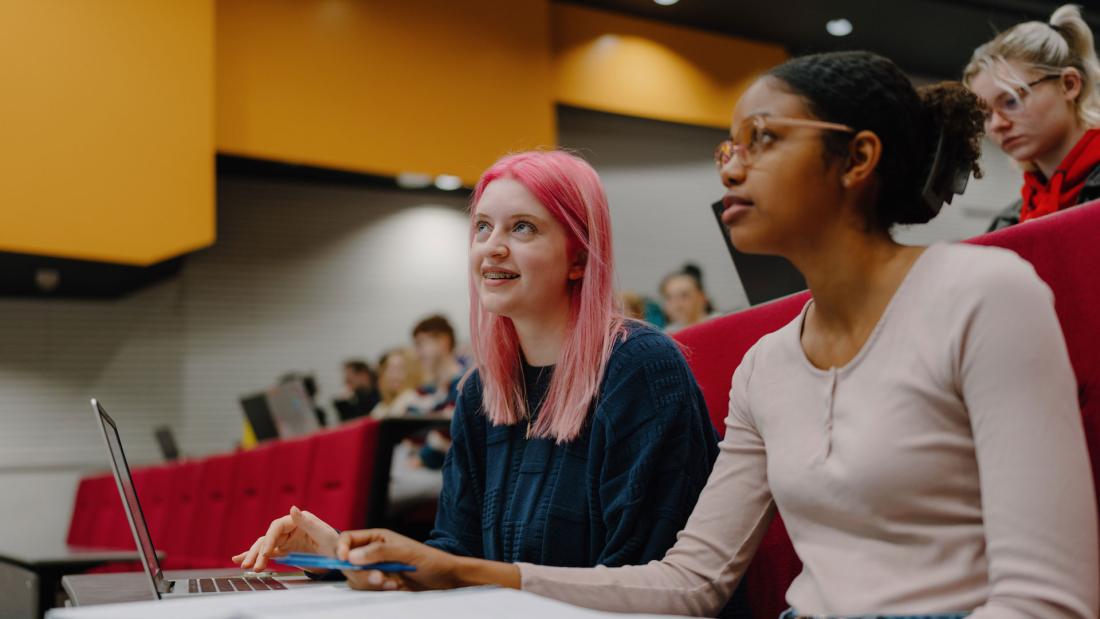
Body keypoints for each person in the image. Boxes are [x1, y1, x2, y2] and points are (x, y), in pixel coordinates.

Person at [332, 52, 1099, 619]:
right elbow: (688, 583)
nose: (731, 169)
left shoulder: (985, 297)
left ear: (857, 158)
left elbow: (1048, 601)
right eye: (726, 147)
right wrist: (462, 570)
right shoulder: (768, 363)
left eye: (762, 139)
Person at [232, 151, 720, 588]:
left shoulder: (639, 368)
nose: (492, 247)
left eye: (522, 227)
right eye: (483, 227)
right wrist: (338, 555)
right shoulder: (482, 392)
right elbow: (455, 555)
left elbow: (646, 580)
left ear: (578, 258)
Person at [965, 4, 1100, 230]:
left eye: (1010, 101)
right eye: (984, 116)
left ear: (1069, 85)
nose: (997, 125)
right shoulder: (1007, 222)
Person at [368, 347, 423, 419]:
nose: (391, 375)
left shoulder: (415, 401)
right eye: (388, 368)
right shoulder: (381, 407)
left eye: (399, 369)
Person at [660, 263, 716, 334]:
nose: (677, 305)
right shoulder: (667, 337)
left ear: (702, 297)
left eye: (684, 295)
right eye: (669, 298)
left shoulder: (722, 323)